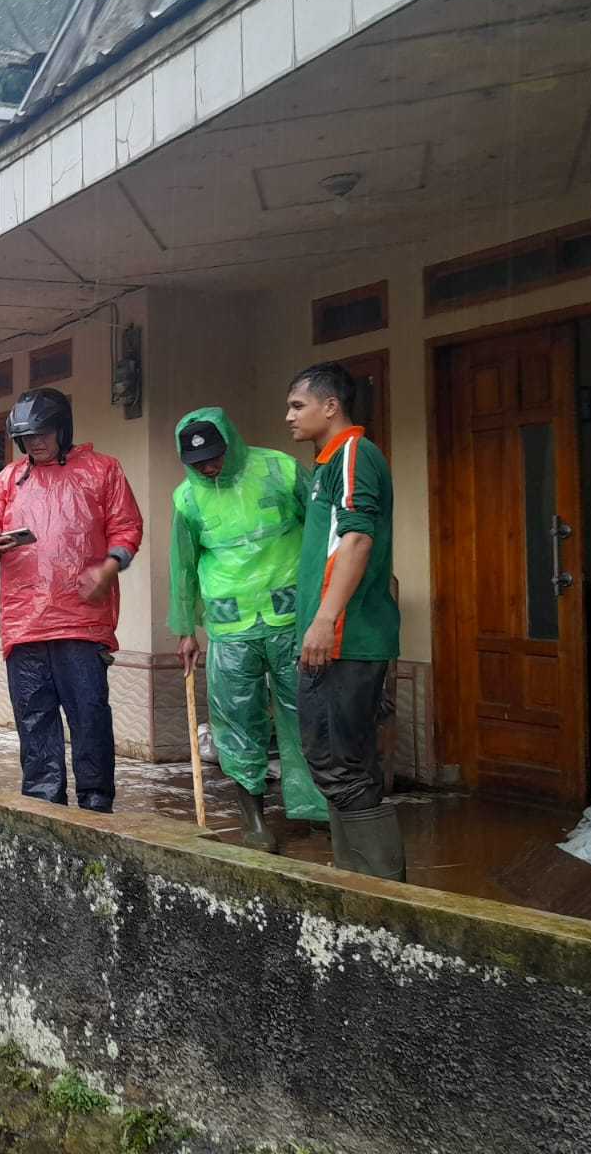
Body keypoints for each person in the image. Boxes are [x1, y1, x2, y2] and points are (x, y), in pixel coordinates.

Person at [167, 407, 328, 852]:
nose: (208, 467)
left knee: (306, 711)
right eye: (198, 462)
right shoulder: (187, 498)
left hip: (290, 617)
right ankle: (253, 817)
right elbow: (183, 566)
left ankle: (316, 808)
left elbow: (322, 530)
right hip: (230, 624)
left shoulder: (280, 469)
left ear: (231, 443)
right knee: (236, 720)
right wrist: (186, 630)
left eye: (214, 457)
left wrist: (327, 605)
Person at [0, 388, 142, 812]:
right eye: (26, 437)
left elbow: (127, 528)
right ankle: (43, 805)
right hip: (24, 622)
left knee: (89, 714)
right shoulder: (8, 479)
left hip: (81, 620)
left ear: (62, 428)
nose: (35, 442)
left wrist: (109, 568)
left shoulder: (103, 470)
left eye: (43, 433)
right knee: (33, 718)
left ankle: (96, 804)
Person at [287, 362, 403, 880]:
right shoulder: (326, 465)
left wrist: (324, 620)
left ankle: (381, 894)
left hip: (345, 640)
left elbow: (357, 538)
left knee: (340, 766)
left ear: (330, 406)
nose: (289, 416)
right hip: (332, 638)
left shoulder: (354, 452)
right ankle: (355, 883)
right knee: (340, 765)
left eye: (298, 405)